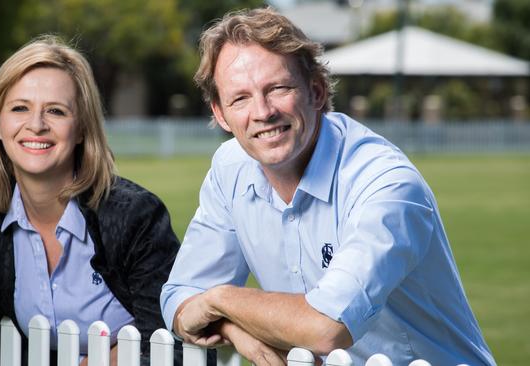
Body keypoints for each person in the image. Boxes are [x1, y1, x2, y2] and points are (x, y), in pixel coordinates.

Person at [160, 8, 495, 366]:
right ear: (220, 113)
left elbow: (328, 328)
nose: (262, 111)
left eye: (278, 88)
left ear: (316, 91)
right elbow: (180, 298)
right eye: (240, 98)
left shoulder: (386, 183)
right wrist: (234, 330)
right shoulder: (230, 168)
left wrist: (221, 300)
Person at [0, 36, 181, 366]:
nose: (36, 125)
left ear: (81, 130)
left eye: (56, 111)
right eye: (20, 108)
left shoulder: (134, 215)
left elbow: (169, 344)